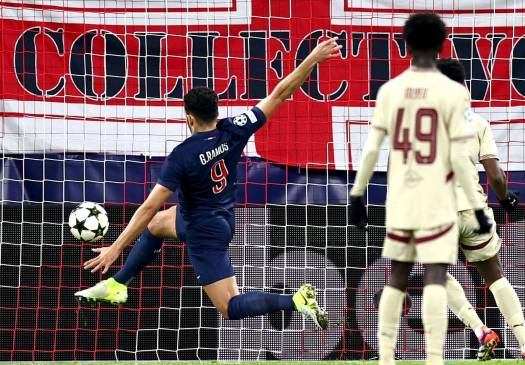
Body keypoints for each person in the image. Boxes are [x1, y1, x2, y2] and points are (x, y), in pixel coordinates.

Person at [74, 38, 343, 330]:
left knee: (230, 306)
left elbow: (150, 205)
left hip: (203, 232)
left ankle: (294, 301)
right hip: (217, 217)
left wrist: (115, 247)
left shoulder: (183, 155)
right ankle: (118, 284)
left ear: (189, 119)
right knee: (157, 225)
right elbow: (281, 92)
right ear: (217, 112)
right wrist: (313, 59)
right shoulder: (234, 128)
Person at [348, 13, 492, 365]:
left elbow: (371, 150)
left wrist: (358, 193)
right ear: (442, 45)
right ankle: (433, 364)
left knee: (396, 275)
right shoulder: (453, 93)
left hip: (401, 195)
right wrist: (477, 208)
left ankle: (385, 364)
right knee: (435, 275)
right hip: (437, 195)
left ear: (405, 44)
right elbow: (459, 157)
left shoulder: (390, 90)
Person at [436, 59, 525, 361]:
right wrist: (506, 199)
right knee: (495, 275)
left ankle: (481, 330)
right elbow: (495, 176)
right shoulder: (478, 123)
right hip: (475, 211)